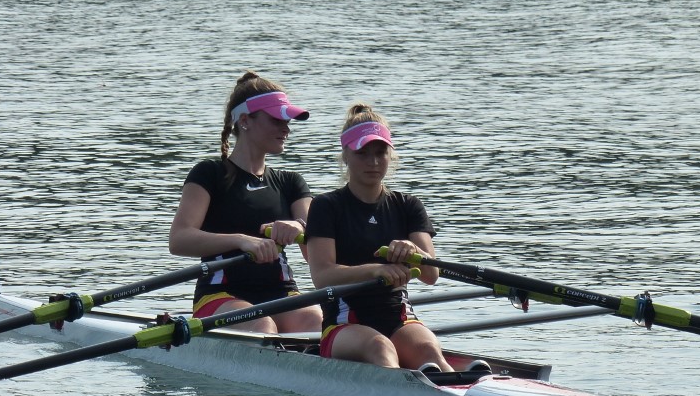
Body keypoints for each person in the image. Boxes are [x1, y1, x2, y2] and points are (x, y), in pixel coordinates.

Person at [305, 104, 488, 376]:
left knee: (429, 351)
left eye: (380, 153)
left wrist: (414, 252)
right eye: (362, 153)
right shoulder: (326, 206)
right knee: (380, 347)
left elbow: (431, 275)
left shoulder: (407, 206)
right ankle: (405, 392)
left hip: (399, 317)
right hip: (344, 323)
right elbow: (322, 276)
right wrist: (376, 270)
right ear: (345, 155)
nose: (373, 162)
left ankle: (464, 389)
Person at [168, 71, 321, 334]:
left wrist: (300, 227)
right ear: (245, 120)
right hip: (220, 294)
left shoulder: (291, 182)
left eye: (287, 121)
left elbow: (317, 250)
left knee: (320, 322)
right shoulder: (209, 174)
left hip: (281, 291)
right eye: (276, 120)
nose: (286, 129)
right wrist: (241, 240)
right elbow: (179, 239)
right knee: (262, 323)